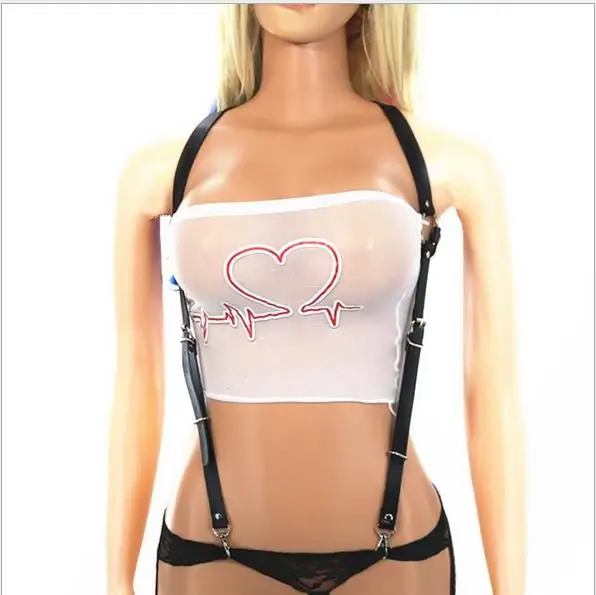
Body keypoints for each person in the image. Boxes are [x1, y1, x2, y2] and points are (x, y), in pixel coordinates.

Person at [107, 4, 526, 595]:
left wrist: (512, 587)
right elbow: (136, 382)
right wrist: (114, 579)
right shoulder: (165, 172)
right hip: (209, 552)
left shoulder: (446, 165)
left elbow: (492, 393)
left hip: (396, 557)